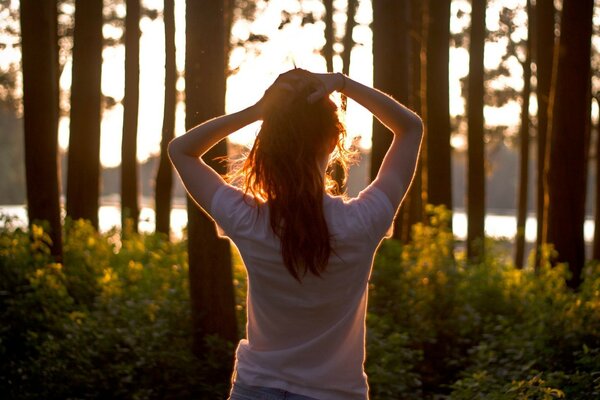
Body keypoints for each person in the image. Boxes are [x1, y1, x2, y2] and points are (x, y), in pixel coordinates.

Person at [168, 69, 423, 400]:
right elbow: (410, 128)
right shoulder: (362, 221)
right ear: (334, 142)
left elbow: (181, 150)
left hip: (256, 389)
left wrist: (259, 111)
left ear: (271, 144)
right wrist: (343, 83)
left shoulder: (250, 219)